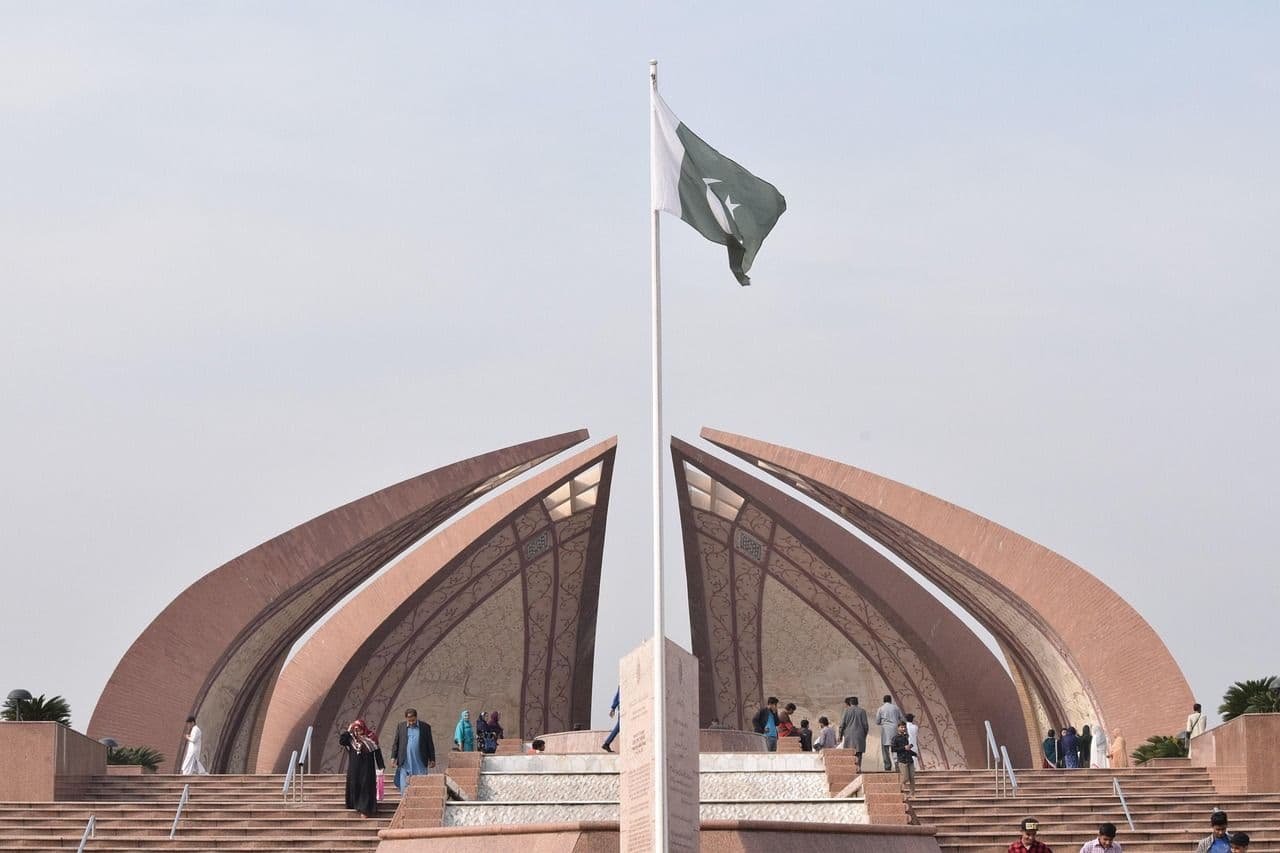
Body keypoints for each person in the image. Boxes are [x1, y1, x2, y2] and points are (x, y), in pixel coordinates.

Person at [337, 719, 384, 818]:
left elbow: (377, 752)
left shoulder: (371, 737)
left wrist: (381, 766)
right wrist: (349, 731)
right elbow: (342, 741)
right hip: (354, 768)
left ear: (363, 728)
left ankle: (365, 809)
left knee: (365, 786)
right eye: (356, 730)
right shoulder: (351, 739)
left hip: (367, 768)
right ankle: (355, 805)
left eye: (359, 729)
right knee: (355, 785)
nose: (358, 732)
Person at [390, 708, 435, 791]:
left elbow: (430, 744)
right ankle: (405, 803)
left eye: (413, 720)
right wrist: (393, 757)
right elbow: (396, 743)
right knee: (404, 787)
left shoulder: (425, 727)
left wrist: (432, 759)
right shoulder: (401, 726)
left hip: (420, 762)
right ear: (406, 719)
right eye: (409, 721)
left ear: (416, 717)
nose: (411, 723)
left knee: (421, 787)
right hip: (405, 762)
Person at [876, 695, 904, 771]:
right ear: (890, 700)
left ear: (883, 701)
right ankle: (897, 764)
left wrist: (883, 722)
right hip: (895, 729)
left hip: (885, 730)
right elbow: (901, 718)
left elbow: (877, 721)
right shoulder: (896, 708)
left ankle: (887, 766)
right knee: (895, 748)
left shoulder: (880, 709)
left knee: (885, 750)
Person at [890, 720, 917, 796]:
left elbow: (907, 749)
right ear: (898, 728)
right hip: (902, 760)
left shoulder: (906, 737)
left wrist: (914, 754)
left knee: (912, 778)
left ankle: (912, 794)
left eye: (904, 727)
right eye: (902, 727)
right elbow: (893, 749)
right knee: (905, 778)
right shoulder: (895, 738)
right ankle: (898, 790)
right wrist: (903, 748)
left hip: (909, 759)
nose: (903, 729)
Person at [839, 696, 869, 761]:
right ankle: (858, 768)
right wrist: (864, 735)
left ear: (850, 703)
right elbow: (866, 726)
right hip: (859, 735)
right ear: (857, 702)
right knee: (859, 754)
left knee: (849, 754)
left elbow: (842, 725)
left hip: (848, 736)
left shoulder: (846, 711)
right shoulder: (862, 711)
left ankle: (851, 769)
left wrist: (840, 736)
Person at [602, 687, 621, 752]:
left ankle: (607, 743)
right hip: (624, 707)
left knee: (619, 726)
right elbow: (618, 696)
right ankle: (607, 743)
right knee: (619, 726)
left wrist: (613, 708)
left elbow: (617, 696)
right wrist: (613, 708)